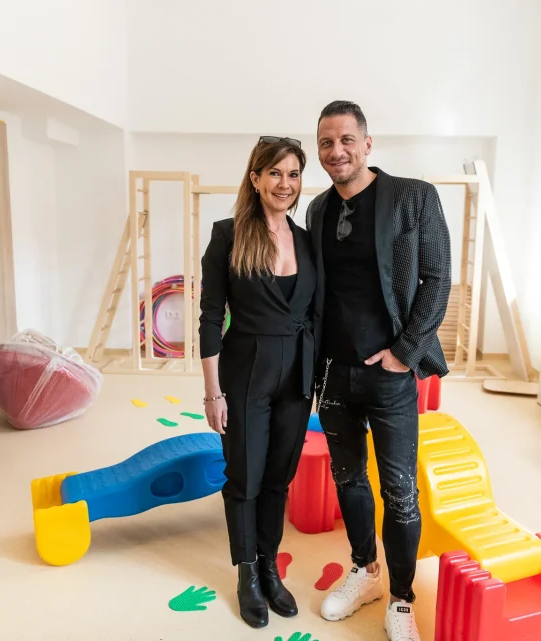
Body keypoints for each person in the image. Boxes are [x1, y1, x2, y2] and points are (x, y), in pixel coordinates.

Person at [305, 101, 451, 641]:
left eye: (347, 139)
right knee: (348, 480)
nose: (336, 151)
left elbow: (437, 278)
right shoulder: (317, 209)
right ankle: (365, 570)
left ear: (367, 144)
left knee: (400, 490)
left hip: (390, 373)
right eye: (326, 142)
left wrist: (404, 353)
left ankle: (402, 598)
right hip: (334, 374)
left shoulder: (415, 197)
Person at [198, 136, 316, 629]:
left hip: (297, 376)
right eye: (275, 173)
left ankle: (269, 565)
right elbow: (210, 317)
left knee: (278, 478)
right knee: (245, 476)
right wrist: (213, 393)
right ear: (255, 178)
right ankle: (246, 572)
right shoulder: (228, 236)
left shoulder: (306, 240)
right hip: (245, 373)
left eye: (293, 174)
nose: (284, 184)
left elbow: (317, 311)